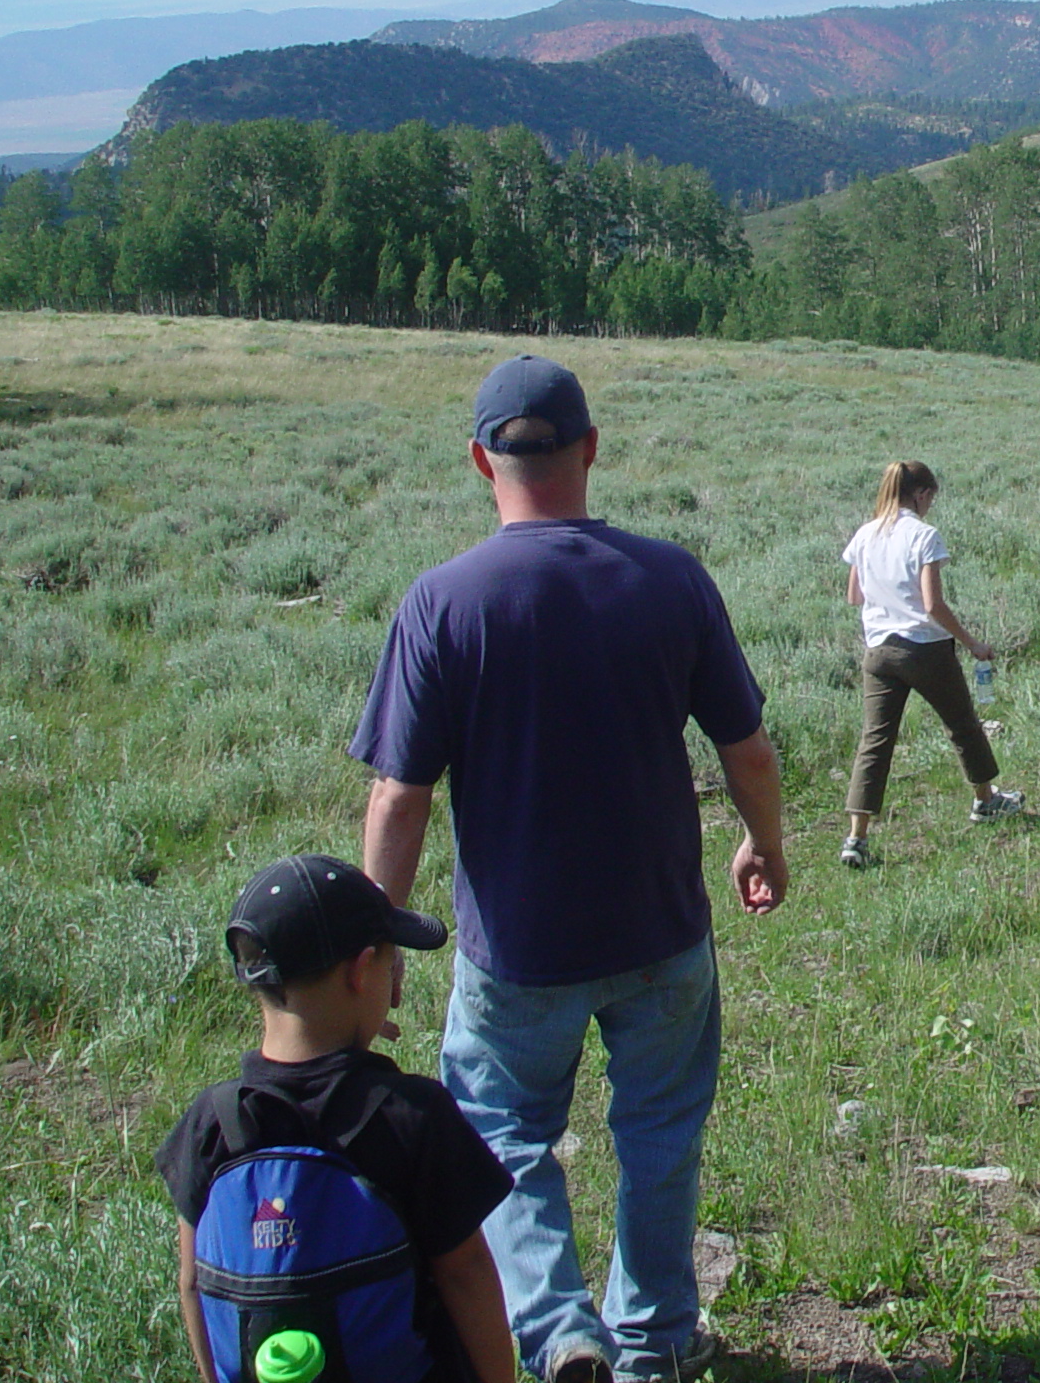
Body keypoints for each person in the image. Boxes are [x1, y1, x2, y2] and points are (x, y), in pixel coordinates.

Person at [353, 355, 788, 1383]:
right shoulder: (671, 578)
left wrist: (379, 940)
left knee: (501, 1134)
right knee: (658, 1134)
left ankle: (557, 1331)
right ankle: (653, 1339)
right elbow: (751, 751)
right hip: (661, 932)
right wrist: (764, 842)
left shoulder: (442, 602)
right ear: (590, 449)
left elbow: (399, 799)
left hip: (516, 950)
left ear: (479, 460)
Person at [158, 853, 517, 1383]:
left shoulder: (213, 1121)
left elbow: (192, 1282)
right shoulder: (412, 1115)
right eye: (392, 959)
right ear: (360, 970)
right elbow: (467, 1275)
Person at [842, 459, 1025, 864]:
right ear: (921, 494)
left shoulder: (865, 533)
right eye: (930, 499)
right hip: (925, 648)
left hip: (878, 651)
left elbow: (854, 595)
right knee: (963, 726)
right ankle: (986, 801)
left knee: (874, 742)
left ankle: (856, 838)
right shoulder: (924, 536)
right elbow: (933, 604)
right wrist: (972, 642)